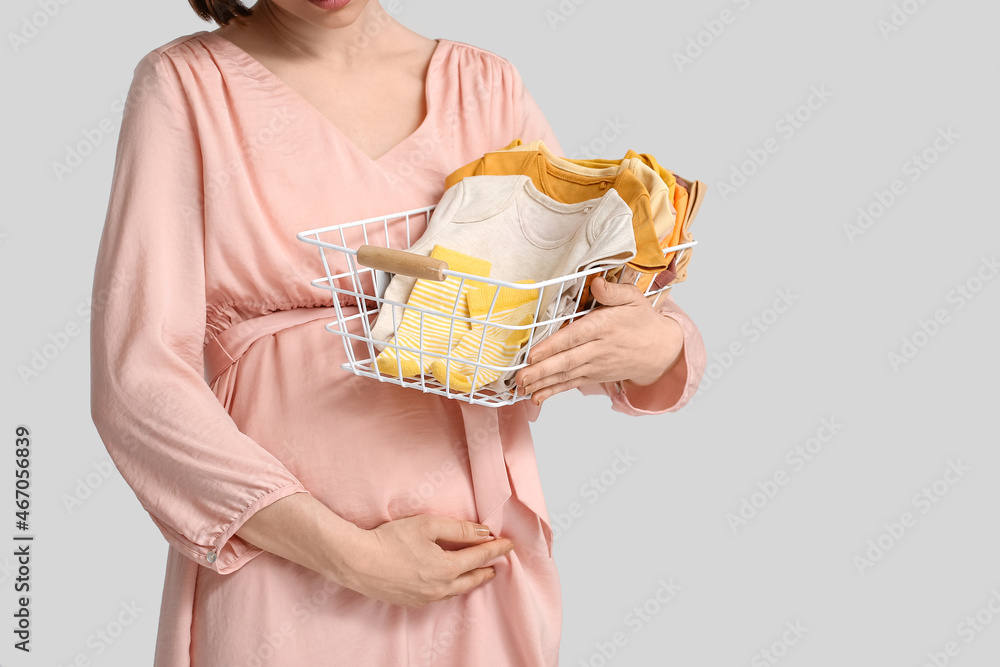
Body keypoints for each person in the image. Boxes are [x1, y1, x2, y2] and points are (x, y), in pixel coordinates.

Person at [88, 0, 707, 664]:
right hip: (282, 559)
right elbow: (139, 378)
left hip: (472, 556)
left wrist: (657, 346)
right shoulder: (185, 87)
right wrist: (348, 553)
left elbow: (571, 299)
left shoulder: (484, 88)